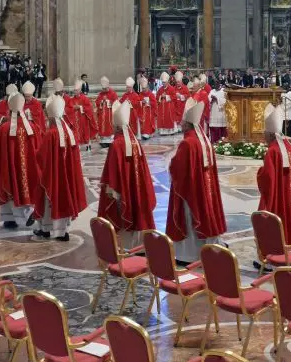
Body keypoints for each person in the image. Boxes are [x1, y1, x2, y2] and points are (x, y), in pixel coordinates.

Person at [167, 98, 227, 264]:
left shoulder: (188, 143)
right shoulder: (205, 140)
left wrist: (171, 164)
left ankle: (189, 255)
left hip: (190, 192)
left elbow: (179, 169)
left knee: (190, 219)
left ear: (188, 124)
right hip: (205, 190)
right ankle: (206, 247)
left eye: (182, 121)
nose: (180, 123)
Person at [97, 101, 156, 248]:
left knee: (123, 211)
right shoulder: (135, 142)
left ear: (117, 127)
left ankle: (126, 245)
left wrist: (110, 189)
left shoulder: (116, 144)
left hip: (121, 190)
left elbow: (111, 174)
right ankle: (140, 245)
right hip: (137, 188)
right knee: (137, 207)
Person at [33, 94, 86, 241]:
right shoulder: (69, 133)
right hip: (67, 176)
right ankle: (62, 231)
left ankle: (46, 229)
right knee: (64, 197)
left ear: (50, 117)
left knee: (48, 199)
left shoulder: (50, 134)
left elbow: (41, 156)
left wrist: (36, 153)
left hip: (52, 175)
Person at [257, 104, 291, 246]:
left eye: (264, 132)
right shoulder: (289, 147)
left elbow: (267, 179)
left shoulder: (272, 151)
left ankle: (273, 255)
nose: (263, 134)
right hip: (289, 197)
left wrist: (260, 173)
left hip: (277, 198)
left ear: (271, 134)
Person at [0, 92, 38, 230]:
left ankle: (11, 218)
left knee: (10, 186)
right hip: (28, 166)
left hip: (10, 166)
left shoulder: (5, 128)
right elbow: (38, 145)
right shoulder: (31, 127)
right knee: (24, 187)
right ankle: (20, 214)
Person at [94, 77, 118, 146]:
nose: (104, 90)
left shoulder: (113, 93)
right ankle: (103, 140)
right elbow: (97, 102)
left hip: (110, 115)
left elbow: (116, 103)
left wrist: (107, 101)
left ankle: (110, 141)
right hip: (102, 115)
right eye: (103, 89)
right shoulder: (101, 94)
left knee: (109, 126)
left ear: (108, 87)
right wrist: (102, 101)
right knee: (102, 127)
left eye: (105, 89)